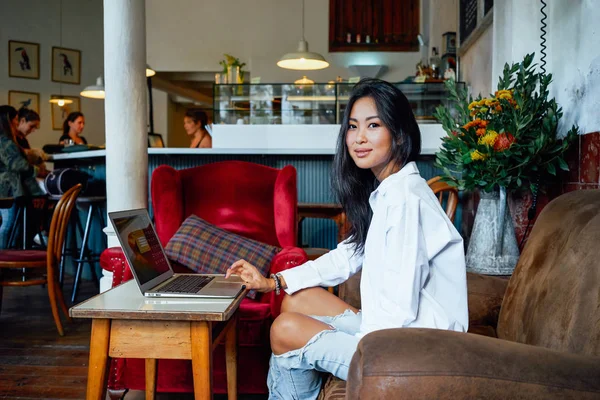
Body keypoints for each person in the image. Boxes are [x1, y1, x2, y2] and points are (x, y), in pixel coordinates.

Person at [225, 78, 468, 399]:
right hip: (403, 330)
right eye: (353, 126)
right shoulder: (390, 190)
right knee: (297, 299)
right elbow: (348, 256)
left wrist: (356, 340)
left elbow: (399, 307)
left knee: (283, 330)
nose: (359, 138)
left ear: (399, 134)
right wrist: (273, 282)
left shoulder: (404, 200)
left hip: (416, 349)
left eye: (373, 125)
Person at [0, 105, 44, 248]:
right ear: (9, 120)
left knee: (10, 224)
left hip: (7, 189)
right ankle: (5, 261)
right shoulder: (4, 141)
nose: (17, 123)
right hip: (7, 190)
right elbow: (18, 164)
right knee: (8, 224)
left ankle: (10, 260)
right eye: (15, 119)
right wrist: (39, 171)